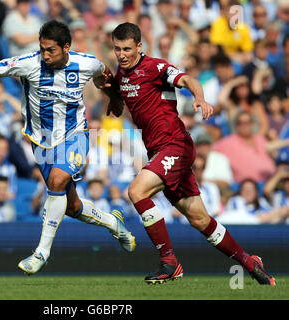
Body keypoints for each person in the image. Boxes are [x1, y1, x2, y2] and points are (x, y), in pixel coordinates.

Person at [0, 20, 135, 275]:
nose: (44, 54)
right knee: (72, 206)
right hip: (41, 142)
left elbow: (104, 76)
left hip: (75, 134)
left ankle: (41, 252)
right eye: (42, 48)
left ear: (66, 48)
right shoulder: (29, 63)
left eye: (50, 50)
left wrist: (115, 99)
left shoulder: (86, 63)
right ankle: (114, 223)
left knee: (56, 181)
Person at [106, 22, 275, 285]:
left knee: (137, 191)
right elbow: (119, 105)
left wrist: (200, 98)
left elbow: (187, 79)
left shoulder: (156, 67)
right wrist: (109, 92)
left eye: (127, 48)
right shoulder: (122, 73)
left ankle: (169, 261)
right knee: (199, 219)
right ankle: (248, 261)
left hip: (175, 145)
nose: (122, 54)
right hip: (160, 150)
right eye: (117, 49)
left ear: (139, 46)